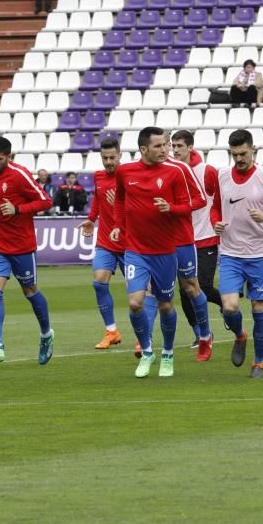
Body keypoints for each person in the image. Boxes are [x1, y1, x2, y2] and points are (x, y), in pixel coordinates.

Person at [111, 127, 197, 378]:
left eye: (166, 145)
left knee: (166, 305)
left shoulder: (174, 172)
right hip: (136, 250)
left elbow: (188, 205)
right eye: (159, 146)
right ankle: (148, 352)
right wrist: (118, 225)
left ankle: (168, 353)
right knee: (135, 303)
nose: (165, 150)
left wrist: (170, 208)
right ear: (143, 149)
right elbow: (119, 200)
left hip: (165, 251)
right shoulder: (125, 172)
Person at [211, 129, 263, 379]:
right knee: (230, 307)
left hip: (260, 254)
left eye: (243, 153)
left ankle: (259, 363)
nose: (239, 159)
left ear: (253, 150)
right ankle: (240, 335)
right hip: (231, 254)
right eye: (234, 154)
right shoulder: (222, 176)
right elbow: (214, 209)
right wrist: (216, 223)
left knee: (259, 308)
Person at [0, 136, 55, 364]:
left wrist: (17, 209)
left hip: (22, 245)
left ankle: (46, 333)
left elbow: (45, 201)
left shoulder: (20, 175)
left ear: (9, 156)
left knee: (30, 291)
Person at [170, 130, 222, 352]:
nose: (175, 149)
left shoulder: (206, 171)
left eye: (180, 145)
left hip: (205, 236)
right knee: (183, 292)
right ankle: (200, 333)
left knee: (205, 285)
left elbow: (219, 197)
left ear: (190, 147)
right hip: (181, 239)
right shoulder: (171, 171)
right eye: (173, 145)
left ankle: (224, 304)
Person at [78, 137, 125, 349]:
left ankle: (145, 338)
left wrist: (121, 204)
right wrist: (91, 218)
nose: (108, 162)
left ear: (120, 155)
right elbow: (97, 198)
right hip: (106, 240)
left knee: (140, 293)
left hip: (130, 243)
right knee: (98, 282)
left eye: (112, 157)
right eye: (105, 158)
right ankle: (111, 331)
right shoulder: (98, 176)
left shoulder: (130, 176)